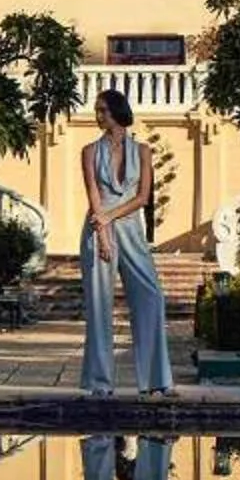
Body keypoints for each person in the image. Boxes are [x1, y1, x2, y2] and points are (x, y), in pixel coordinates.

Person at [80, 87, 173, 397]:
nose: (98, 116)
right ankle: (99, 384)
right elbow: (95, 198)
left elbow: (143, 197)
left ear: (117, 112)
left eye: (103, 110)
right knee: (99, 306)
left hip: (131, 230)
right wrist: (104, 234)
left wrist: (111, 217)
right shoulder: (89, 151)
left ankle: (155, 380)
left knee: (151, 296)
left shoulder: (143, 151)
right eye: (97, 110)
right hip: (97, 231)